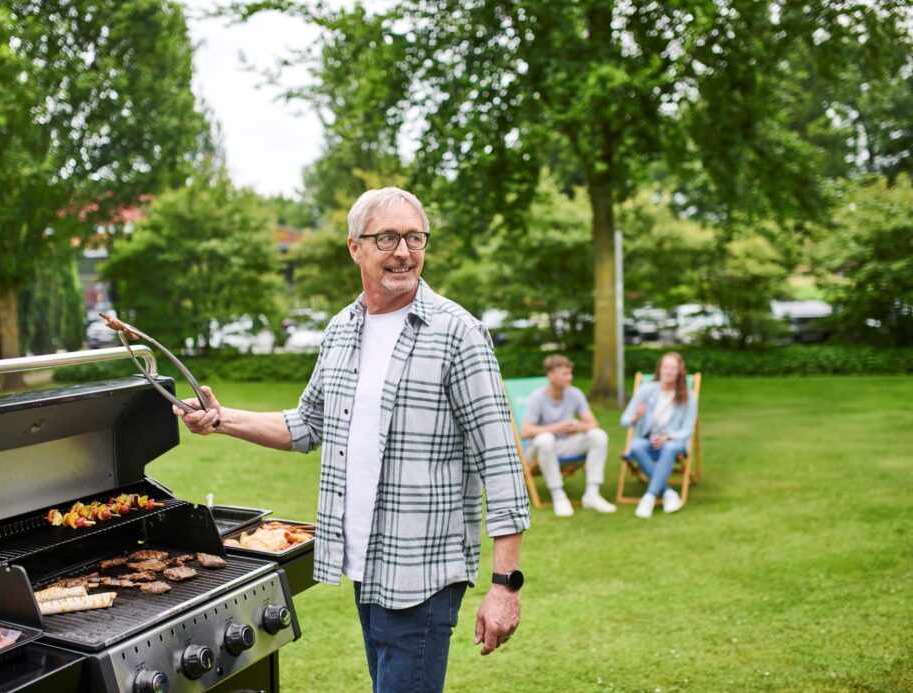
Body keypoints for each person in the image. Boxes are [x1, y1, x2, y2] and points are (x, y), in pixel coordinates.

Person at [174, 187, 530, 693]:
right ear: (354, 247)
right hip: (365, 565)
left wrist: (505, 586)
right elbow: (307, 425)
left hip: (423, 574)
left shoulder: (458, 333)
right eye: (387, 237)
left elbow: (501, 462)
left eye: (414, 237)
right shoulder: (343, 329)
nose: (403, 251)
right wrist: (222, 418)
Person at [520, 354, 618, 518]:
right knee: (546, 439)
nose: (570, 377)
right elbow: (525, 431)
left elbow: (593, 423)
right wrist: (556, 428)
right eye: (565, 374)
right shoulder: (537, 398)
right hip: (540, 450)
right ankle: (558, 495)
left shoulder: (575, 394)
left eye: (570, 373)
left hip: (567, 445)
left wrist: (579, 427)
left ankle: (592, 494)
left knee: (598, 435)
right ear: (551, 375)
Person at [619, 351, 698, 519]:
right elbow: (625, 421)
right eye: (665, 367)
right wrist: (636, 417)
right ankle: (668, 493)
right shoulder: (646, 390)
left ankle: (649, 497)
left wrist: (668, 437)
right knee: (635, 445)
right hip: (648, 440)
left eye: (673, 368)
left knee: (669, 448)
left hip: (673, 442)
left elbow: (688, 429)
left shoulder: (689, 396)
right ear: (659, 369)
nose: (668, 371)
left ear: (679, 372)